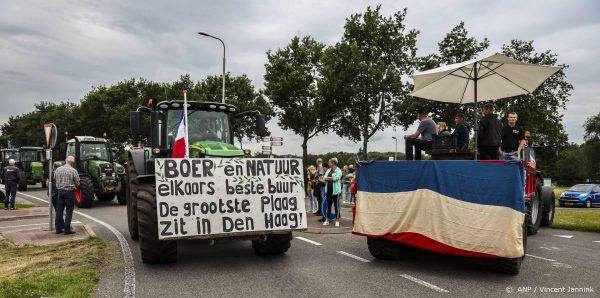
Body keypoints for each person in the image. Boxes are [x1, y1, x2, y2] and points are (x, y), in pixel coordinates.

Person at [54, 156, 80, 235]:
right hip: (69, 192)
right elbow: (78, 183)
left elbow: (55, 179)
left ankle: (58, 229)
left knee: (59, 210)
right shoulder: (73, 170)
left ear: (66, 160)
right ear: (72, 162)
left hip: (60, 192)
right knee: (69, 211)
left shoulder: (58, 169)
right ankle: (67, 229)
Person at [322, 158, 342, 227]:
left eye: (329, 162)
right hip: (328, 190)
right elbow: (324, 177)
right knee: (328, 206)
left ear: (333, 163)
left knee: (336, 206)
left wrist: (330, 178)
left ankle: (337, 220)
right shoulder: (328, 170)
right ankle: (327, 220)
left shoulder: (339, 170)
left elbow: (337, 178)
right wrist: (330, 178)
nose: (328, 163)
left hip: (336, 191)